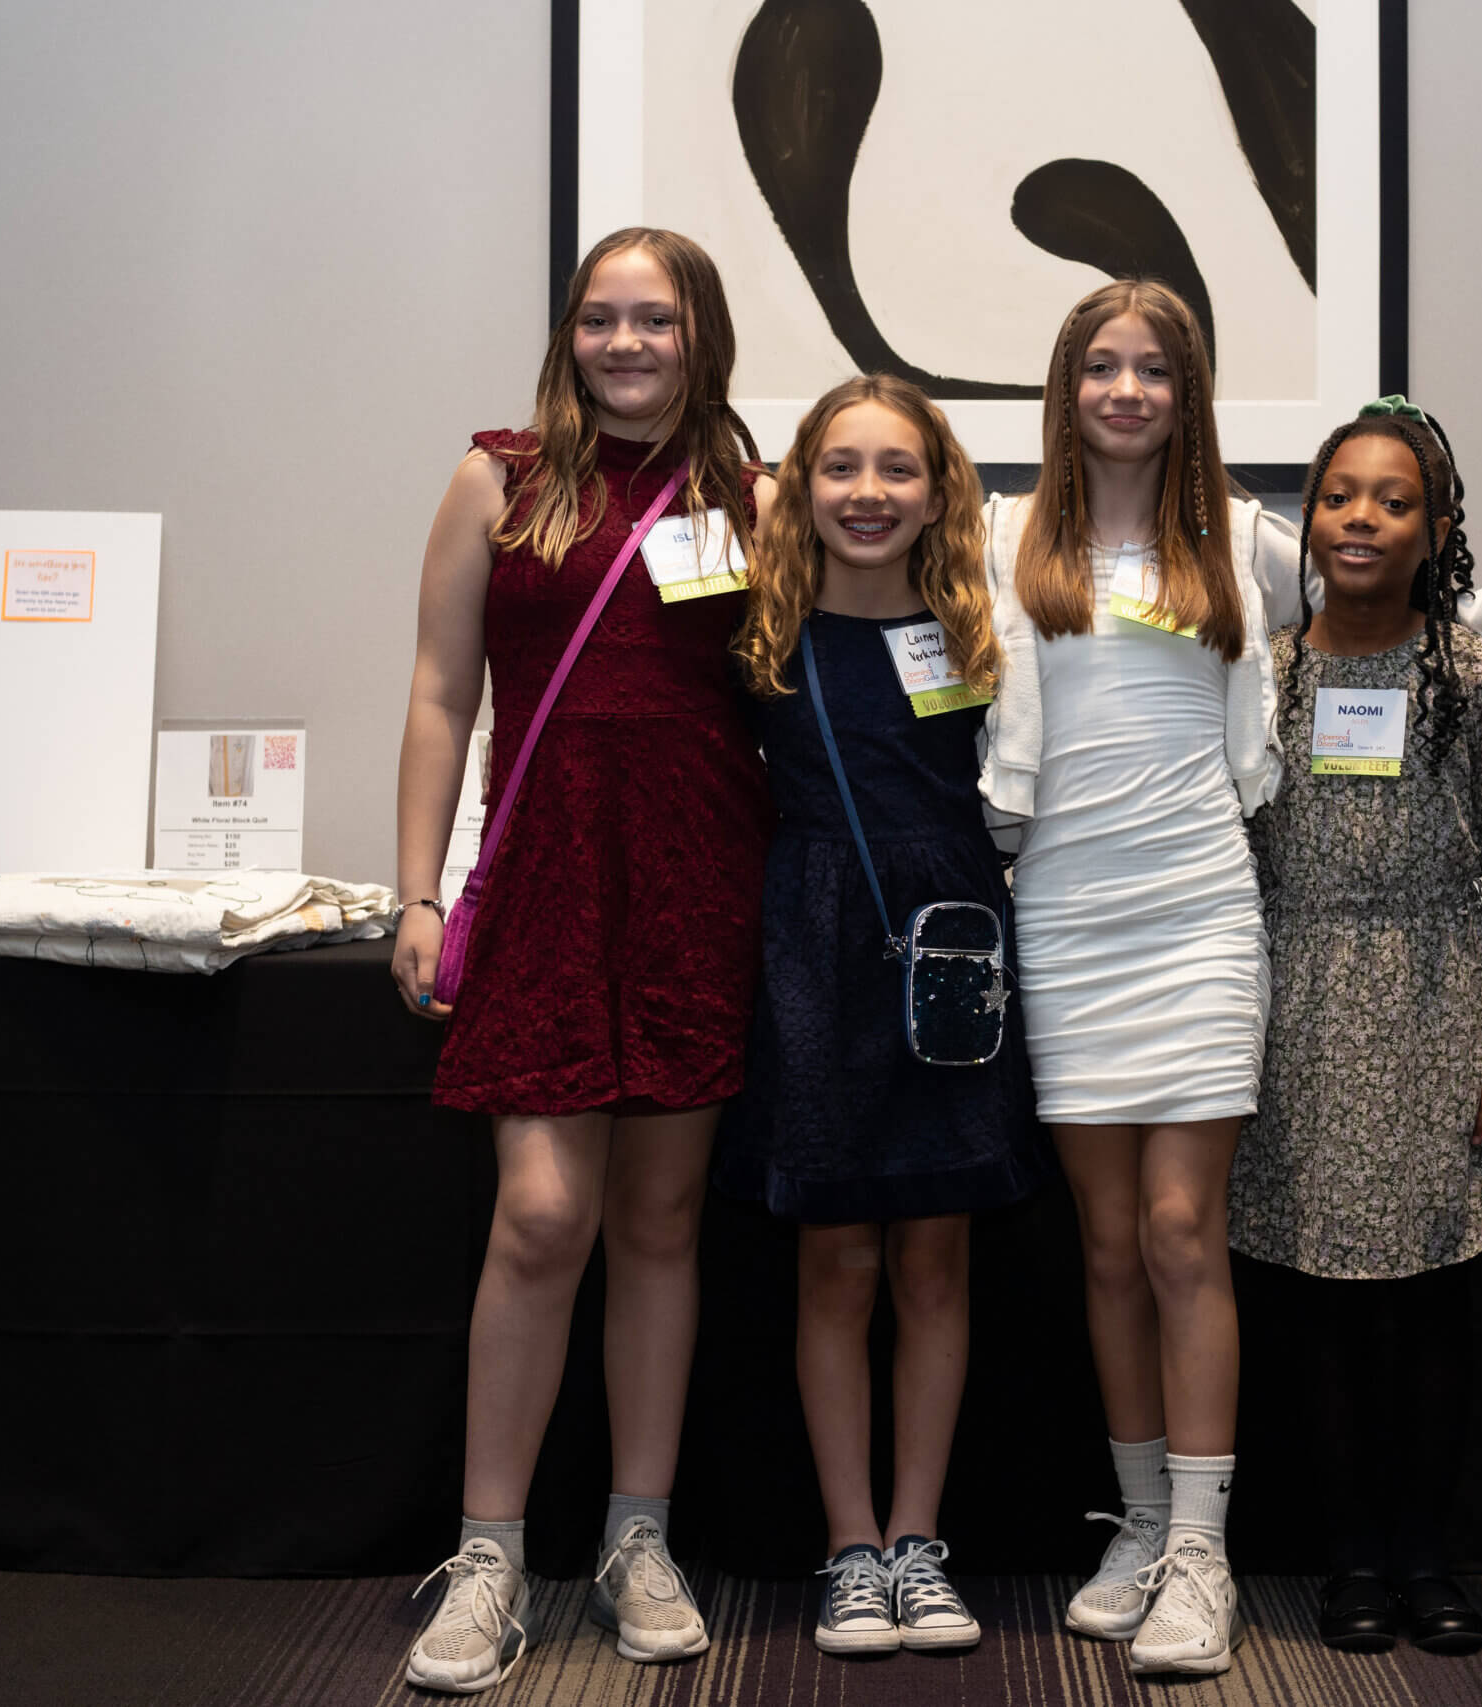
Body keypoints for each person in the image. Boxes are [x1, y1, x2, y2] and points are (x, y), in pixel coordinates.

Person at [975, 281, 1482, 1676]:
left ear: (1192, 390)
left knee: (1183, 1233)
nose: (1128, 388)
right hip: (1061, 915)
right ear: (1066, 386)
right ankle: (1143, 1518)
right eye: (1102, 365)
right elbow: (840, 538)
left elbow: (1410, 574)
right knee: (1106, 1247)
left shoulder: (1240, 534)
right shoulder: (1004, 533)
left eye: (1155, 368)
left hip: (1201, 915)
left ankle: (1205, 1548)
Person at [388, 226, 774, 1695]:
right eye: (601, 319)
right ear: (570, 333)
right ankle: (490, 1551)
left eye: (654, 320)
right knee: (546, 1216)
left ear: (699, 334)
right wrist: (415, 889)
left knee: (664, 1225)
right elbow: (437, 693)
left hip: (697, 882)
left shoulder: (754, 493)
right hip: (548, 880)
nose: (625, 343)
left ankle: (636, 1535)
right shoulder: (498, 478)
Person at [718, 374, 1049, 1659]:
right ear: (796, 484)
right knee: (838, 1258)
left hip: (949, 944)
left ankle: (920, 1541)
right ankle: (849, 1547)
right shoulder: (757, 625)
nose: (868, 493)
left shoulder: (979, 622)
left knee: (934, 1259)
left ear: (939, 488)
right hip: (812, 942)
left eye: (897, 469)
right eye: (839, 467)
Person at [1230, 398, 1482, 1657]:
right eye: (1339, 496)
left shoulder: (1473, 677)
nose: (1361, 518)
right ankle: (1350, 1557)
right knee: (1313, 1313)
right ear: (1307, 520)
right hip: (1289, 1008)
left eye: (1394, 500)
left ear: (1436, 530)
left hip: (1431, 1004)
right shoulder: (1260, 670)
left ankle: (1425, 1553)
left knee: (1424, 1316)